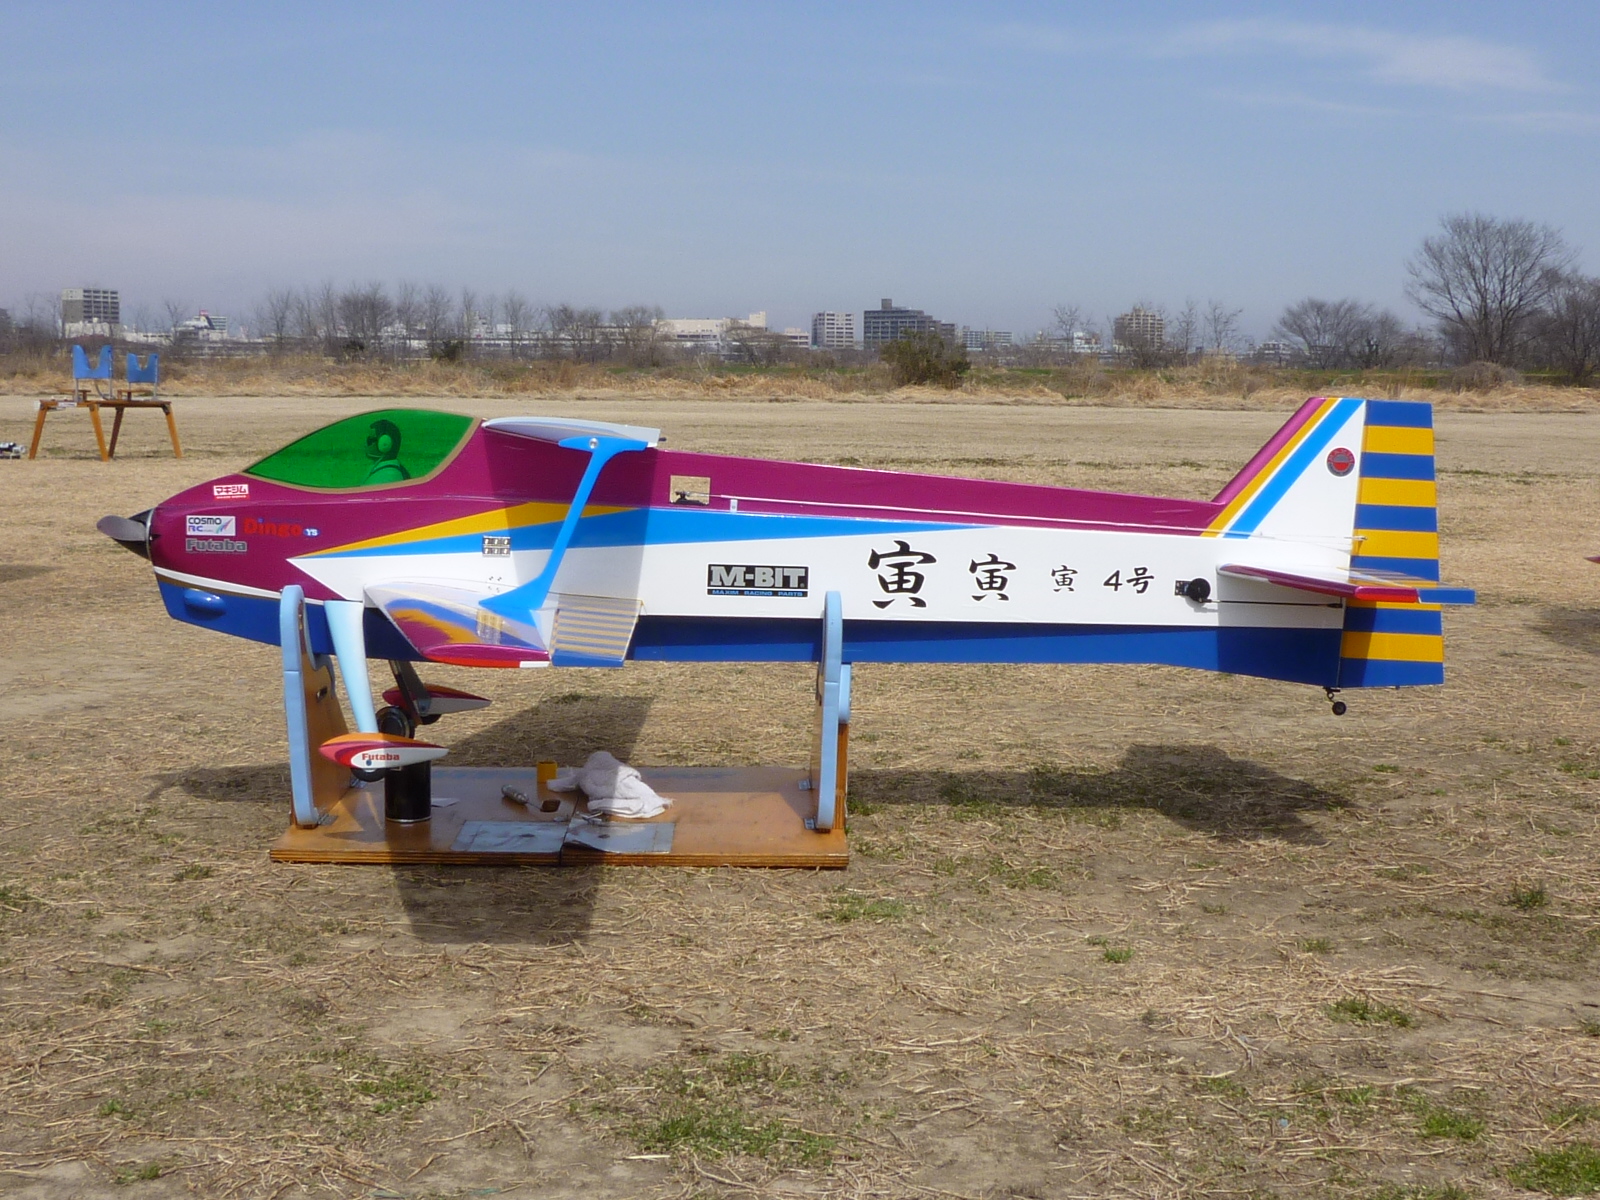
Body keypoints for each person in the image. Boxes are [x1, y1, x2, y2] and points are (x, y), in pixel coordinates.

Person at [363, 418, 411, 484]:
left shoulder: (385, 478)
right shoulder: (387, 470)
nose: (366, 444)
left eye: (370, 440)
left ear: (384, 445)